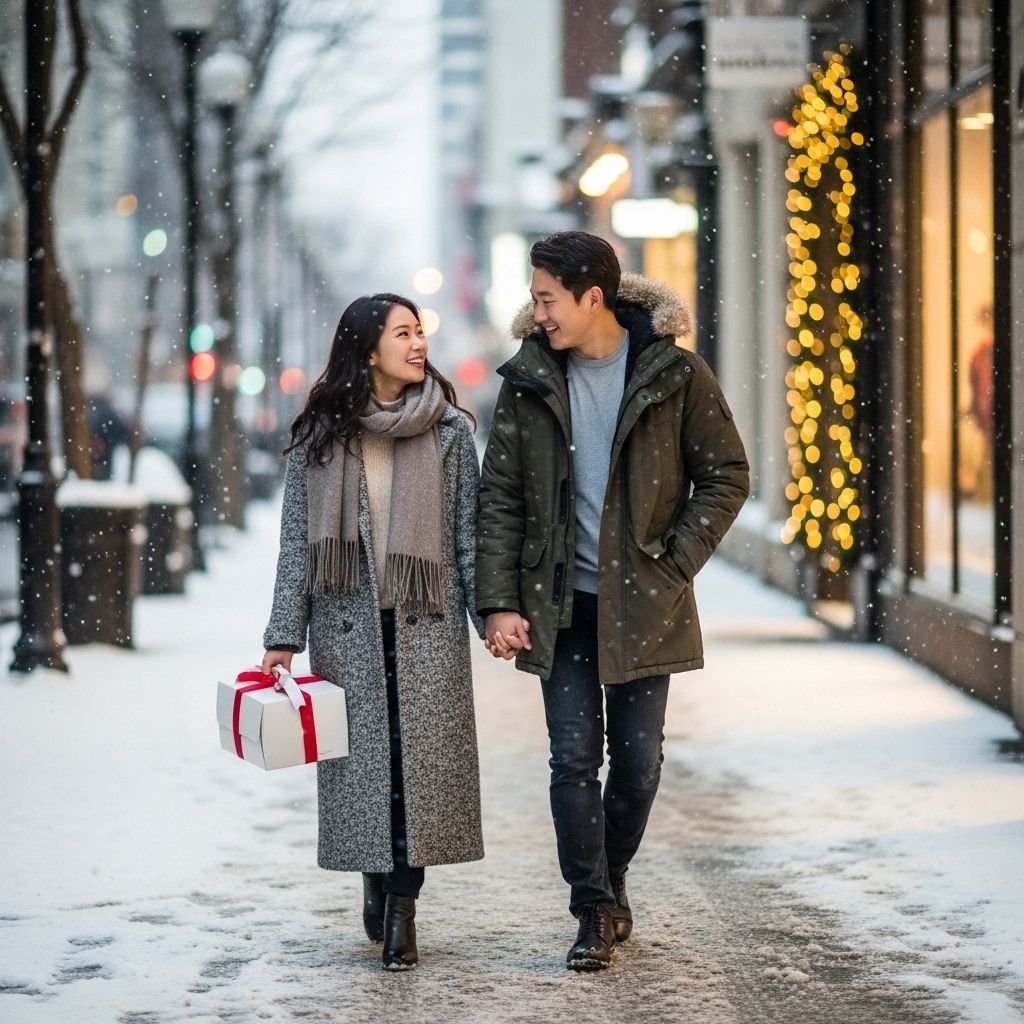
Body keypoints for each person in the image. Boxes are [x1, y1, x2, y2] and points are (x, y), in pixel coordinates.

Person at [476, 231, 749, 971]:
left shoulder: (675, 373)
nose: (538, 314)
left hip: (644, 602)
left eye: (547, 299)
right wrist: (498, 602)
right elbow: (499, 498)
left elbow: (726, 475)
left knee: (638, 767)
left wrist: (673, 560)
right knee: (572, 761)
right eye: (535, 299)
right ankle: (592, 908)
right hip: (558, 604)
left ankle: (611, 875)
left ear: (592, 297)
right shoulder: (529, 379)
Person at [261, 293, 485, 971]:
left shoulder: (448, 432)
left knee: (417, 770)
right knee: (367, 767)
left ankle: (402, 908)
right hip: (348, 629)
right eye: (403, 334)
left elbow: (468, 540)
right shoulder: (321, 437)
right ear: (366, 351)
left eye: (421, 332)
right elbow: (297, 547)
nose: (419, 345)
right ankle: (375, 874)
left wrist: (493, 619)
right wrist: (283, 636)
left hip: (427, 625)